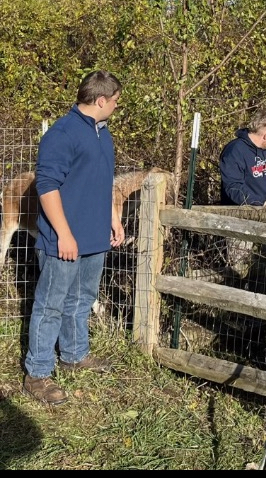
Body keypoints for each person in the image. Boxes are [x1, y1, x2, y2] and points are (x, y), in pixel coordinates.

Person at [23, 70, 126, 406]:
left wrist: (113, 218)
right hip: (64, 240)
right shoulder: (61, 134)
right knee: (51, 304)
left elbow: (103, 180)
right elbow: (47, 186)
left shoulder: (103, 133)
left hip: (95, 237)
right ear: (100, 100)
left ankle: (74, 354)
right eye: (114, 102)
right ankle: (37, 373)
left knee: (81, 300)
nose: (115, 107)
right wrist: (64, 235)